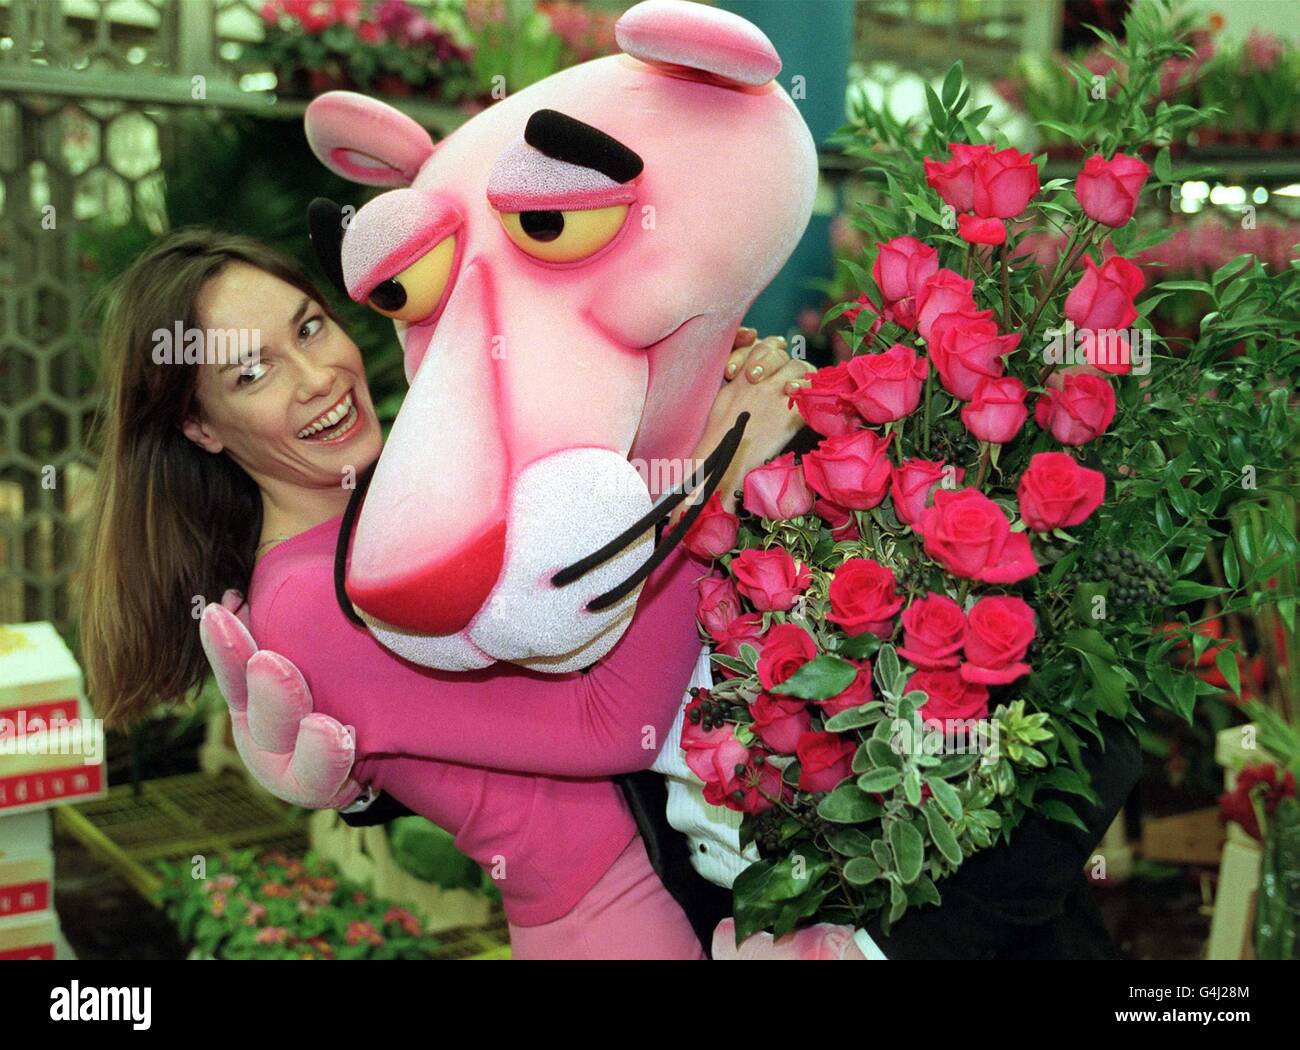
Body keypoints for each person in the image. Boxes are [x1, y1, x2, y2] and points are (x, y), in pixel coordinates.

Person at [79, 227, 811, 959]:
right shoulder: (307, 600)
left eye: (309, 327)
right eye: (253, 374)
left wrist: (691, 396)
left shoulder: (390, 522)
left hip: (673, 865)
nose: (317, 377)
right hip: (619, 912)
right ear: (201, 427)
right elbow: (610, 721)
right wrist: (722, 468)